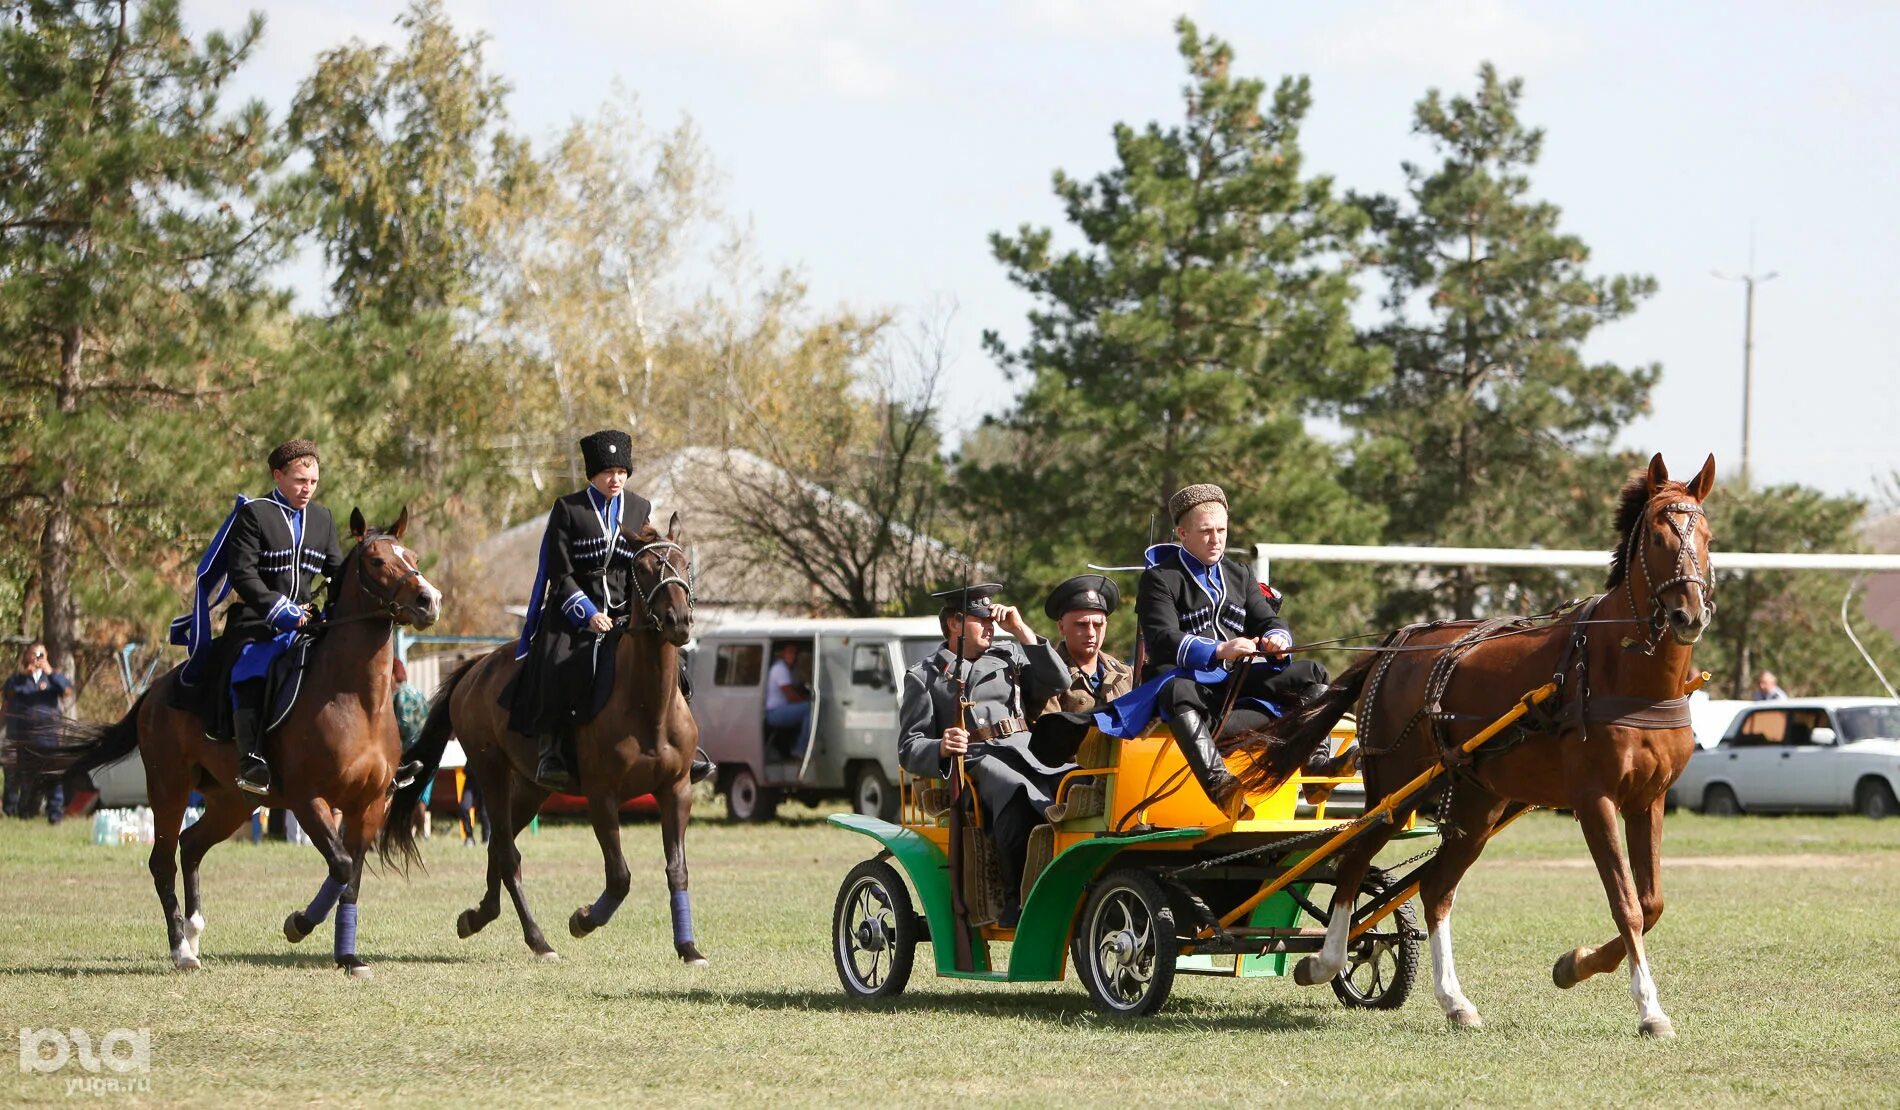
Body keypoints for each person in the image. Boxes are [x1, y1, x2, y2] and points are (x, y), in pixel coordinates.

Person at [503, 430, 714, 791]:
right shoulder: (568, 510)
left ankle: (685, 749)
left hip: (625, 614)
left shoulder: (638, 508)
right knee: (557, 666)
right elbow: (560, 572)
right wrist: (587, 613)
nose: (615, 479)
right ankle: (550, 751)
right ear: (592, 474)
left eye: (621, 471)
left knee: (674, 669)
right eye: (607, 472)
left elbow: (644, 564)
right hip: (574, 616)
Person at [1137, 483, 1338, 819]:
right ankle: (1221, 788)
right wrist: (1219, 649)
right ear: (1182, 533)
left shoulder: (1239, 573)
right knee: (1174, 688)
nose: (1216, 539)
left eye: (1222, 530)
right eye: (1205, 531)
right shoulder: (1160, 578)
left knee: (1313, 674)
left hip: (1235, 683)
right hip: (1186, 685)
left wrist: (1277, 640)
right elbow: (1161, 639)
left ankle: (1315, 771)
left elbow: (1267, 619)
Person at [172, 439, 343, 796]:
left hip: (309, 623)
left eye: (313, 481)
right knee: (250, 669)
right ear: (278, 475)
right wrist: (280, 610)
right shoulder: (254, 513)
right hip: (257, 621)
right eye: (299, 480)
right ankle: (250, 758)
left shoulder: (324, 519)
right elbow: (243, 575)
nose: (307, 489)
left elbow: (335, 573)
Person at [898, 583, 1073, 925]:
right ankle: (1015, 900)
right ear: (955, 624)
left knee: (1078, 780)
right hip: (975, 761)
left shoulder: (1011, 657)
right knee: (1014, 792)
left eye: (992, 621)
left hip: (1026, 749)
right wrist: (942, 746)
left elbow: (1059, 680)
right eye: (982, 621)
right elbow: (908, 746)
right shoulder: (925, 676)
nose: (991, 628)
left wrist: (1021, 631)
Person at [1032, 575, 1135, 721]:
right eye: (1081, 624)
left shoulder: (1126, 674)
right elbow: (1049, 732)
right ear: (1061, 627)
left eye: (1098, 625)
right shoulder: (1048, 674)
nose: (1091, 633)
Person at [3, 642, 73, 823]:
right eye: (34, 654)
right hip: (25, 737)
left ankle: (55, 814)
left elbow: (67, 691)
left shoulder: (52, 678)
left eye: (41, 654)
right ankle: (24, 812)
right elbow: (7, 695)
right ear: (27, 656)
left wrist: (50, 671)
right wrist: (24, 674)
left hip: (49, 737)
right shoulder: (18, 680)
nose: (37, 658)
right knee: (26, 776)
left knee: (53, 775)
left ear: (47, 656)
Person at [393, 658, 432, 839]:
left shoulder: (398, 696)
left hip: (409, 752)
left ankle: (406, 831)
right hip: (428, 748)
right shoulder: (418, 692)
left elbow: (401, 726)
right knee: (423, 793)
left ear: (393, 675)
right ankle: (421, 832)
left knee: (406, 793)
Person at [764, 643, 813, 756]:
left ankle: (797, 744)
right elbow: (791, 696)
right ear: (783, 654)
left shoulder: (789, 670)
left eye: (795, 653)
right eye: (790, 652)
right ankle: (800, 749)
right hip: (774, 712)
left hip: (782, 709)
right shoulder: (780, 668)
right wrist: (809, 701)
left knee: (806, 709)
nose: (793, 656)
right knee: (810, 709)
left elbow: (797, 688)